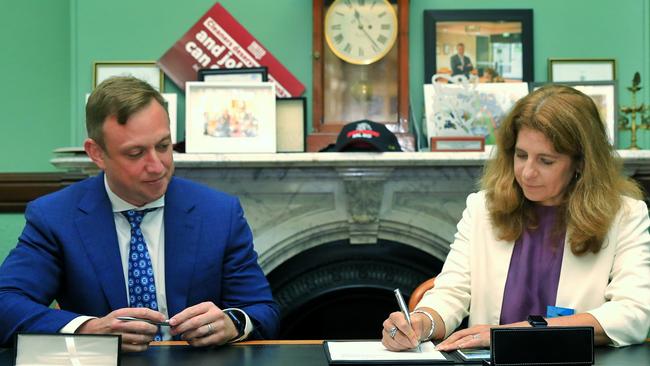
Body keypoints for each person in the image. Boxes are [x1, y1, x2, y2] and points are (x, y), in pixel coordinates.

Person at [0, 76, 279, 351]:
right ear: (96, 153)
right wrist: (88, 329)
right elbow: (6, 303)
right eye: (135, 153)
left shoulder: (219, 213)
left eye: (163, 146)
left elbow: (262, 309)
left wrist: (233, 323)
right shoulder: (55, 217)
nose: (157, 166)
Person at [381, 84, 650, 351]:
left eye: (546, 161)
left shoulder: (625, 216)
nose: (527, 173)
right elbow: (452, 291)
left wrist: (511, 334)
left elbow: (634, 313)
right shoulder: (481, 208)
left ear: (581, 162)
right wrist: (421, 322)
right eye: (521, 156)